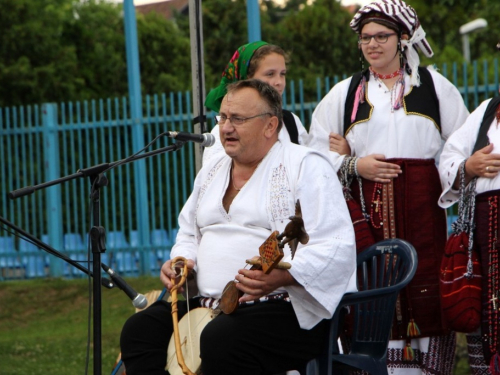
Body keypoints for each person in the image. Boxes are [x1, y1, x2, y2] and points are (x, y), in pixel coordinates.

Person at [120, 79, 357, 375]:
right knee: (139, 330)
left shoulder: (306, 166)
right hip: (207, 305)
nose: (226, 128)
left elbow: (336, 244)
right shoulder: (212, 171)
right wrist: (182, 262)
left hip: (286, 309)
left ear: (270, 126)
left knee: (221, 338)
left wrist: (284, 276)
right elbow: (189, 232)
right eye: (223, 118)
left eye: (238, 119)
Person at [307, 0, 469, 373]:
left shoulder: (434, 87)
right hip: (370, 222)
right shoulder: (344, 95)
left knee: (427, 300)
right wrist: (354, 164)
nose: (372, 44)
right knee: (373, 297)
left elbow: (457, 150)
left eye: (382, 36)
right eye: (365, 38)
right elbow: (314, 159)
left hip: (424, 221)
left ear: (403, 39)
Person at [438, 42, 500, 375]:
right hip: (487, 240)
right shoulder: (488, 111)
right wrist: (469, 165)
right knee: (491, 325)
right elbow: (448, 159)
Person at [203, 41, 308, 164]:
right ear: (247, 79)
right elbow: (215, 178)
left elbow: (308, 167)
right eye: (270, 74)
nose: (279, 82)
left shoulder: (290, 122)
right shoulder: (225, 132)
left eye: (282, 74)